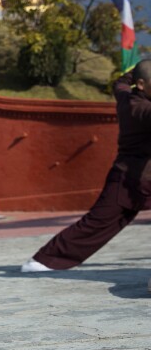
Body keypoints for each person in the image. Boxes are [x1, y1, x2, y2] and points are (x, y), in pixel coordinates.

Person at [21, 60, 151, 274]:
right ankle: (43, 260)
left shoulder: (126, 96)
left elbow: (120, 82)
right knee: (96, 223)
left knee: (102, 224)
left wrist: (137, 66)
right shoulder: (141, 109)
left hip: (140, 177)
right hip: (128, 180)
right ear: (142, 85)